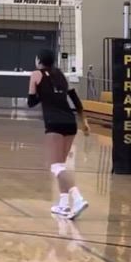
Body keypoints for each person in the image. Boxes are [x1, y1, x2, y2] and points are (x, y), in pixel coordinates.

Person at [28, 48, 90, 219]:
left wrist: (41, 92)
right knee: (61, 165)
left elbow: (31, 102)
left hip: (54, 123)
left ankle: (78, 199)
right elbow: (76, 100)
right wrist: (84, 122)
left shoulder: (36, 74)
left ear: (39, 60)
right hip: (70, 122)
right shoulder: (61, 75)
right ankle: (63, 204)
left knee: (56, 167)